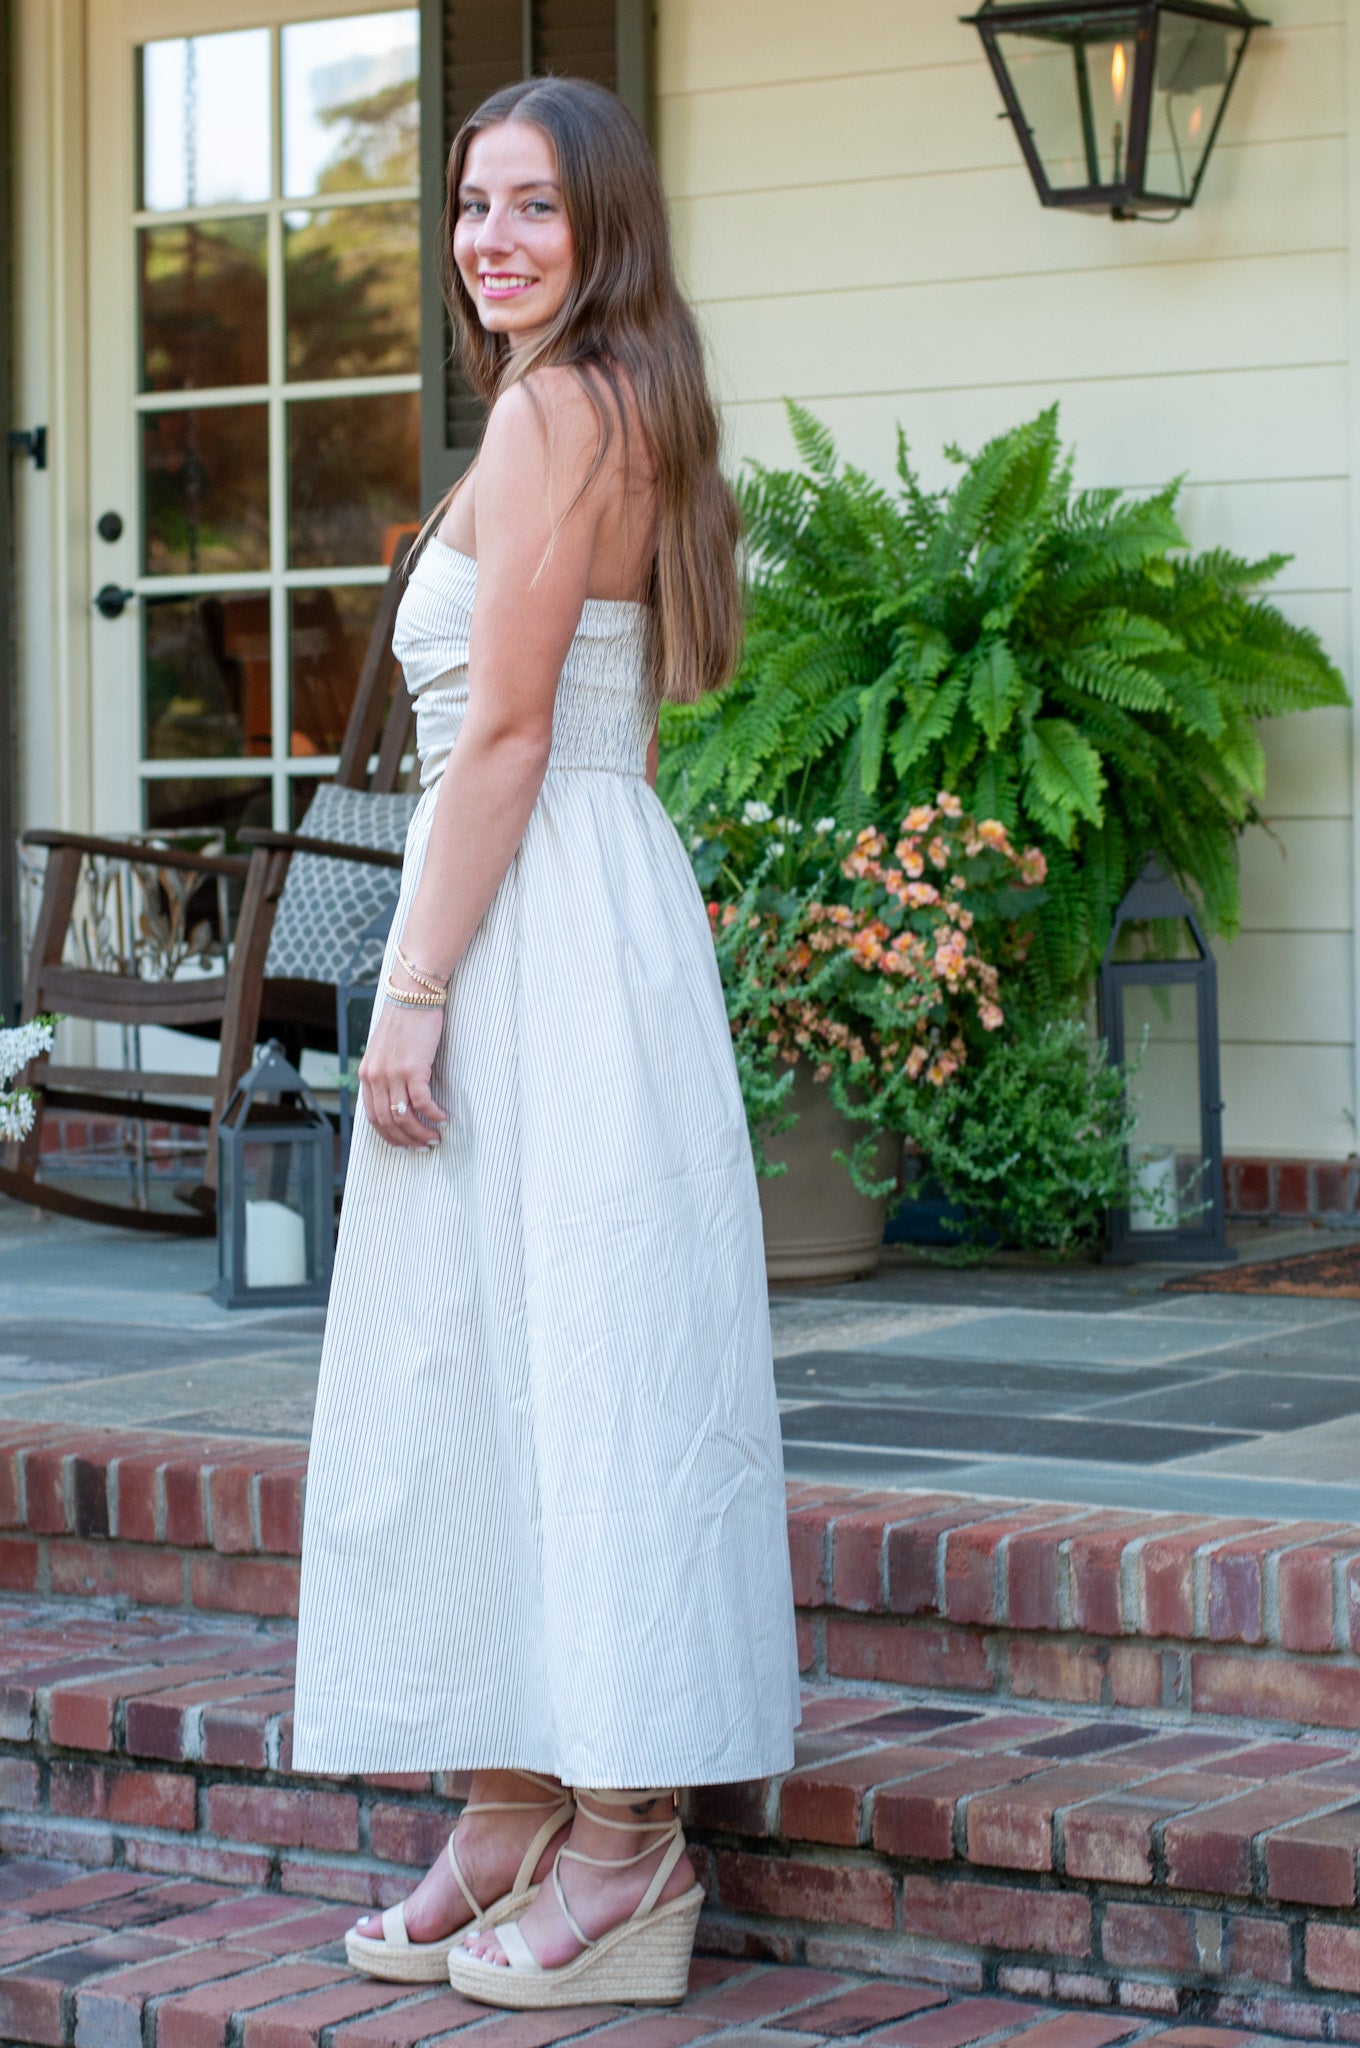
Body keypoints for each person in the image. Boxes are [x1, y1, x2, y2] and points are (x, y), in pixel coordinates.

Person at [290, 75, 799, 2012]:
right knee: (501, 1355)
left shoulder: (549, 407)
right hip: (578, 904)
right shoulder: (625, 399)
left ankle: (622, 1845)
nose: (490, 240)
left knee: (572, 1364)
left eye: (532, 209)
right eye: (467, 206)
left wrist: (408, 991)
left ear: (602, 230)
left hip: (527, 923)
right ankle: (512, 1800)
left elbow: (499, 734)